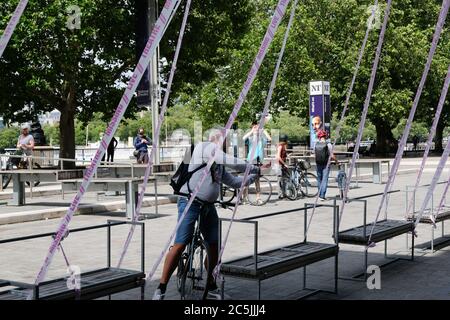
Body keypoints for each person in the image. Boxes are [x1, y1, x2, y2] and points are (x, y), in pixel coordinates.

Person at [152, 127, 268, 300]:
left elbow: (235, 182)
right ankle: (161, 288)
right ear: (216, 138)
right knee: (180, 243)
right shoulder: (204, 147)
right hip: (189, 202)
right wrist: (254, 168)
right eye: (225, 140)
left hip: (208, 206)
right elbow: (233, 162)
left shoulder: (216, 164)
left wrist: (255, 176)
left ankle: (211, 285)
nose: (227, 143)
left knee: (214, 246)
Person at [243, 120, 271, 204]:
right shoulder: (250, 138)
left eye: (258, 127)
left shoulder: (262, 138)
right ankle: (244, 197)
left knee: (257, 180)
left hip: (259, 160)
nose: (257, 129)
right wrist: (252, 131)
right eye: (255, 127)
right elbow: (243, 138)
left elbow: (269, 139)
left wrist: (263, 131)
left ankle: (258, 198)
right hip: (250, 160)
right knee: (247, 180)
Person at [314, 130, 336, 201]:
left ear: (319, 137)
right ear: (325, 136)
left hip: (318, 163)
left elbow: (314, 154)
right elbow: (332, 156)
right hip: (326, 164)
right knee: (324, 179)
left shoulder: (316, 144)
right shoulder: (328, 144)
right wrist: (336, 161)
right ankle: (322, 195)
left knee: (319, 179)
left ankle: (319, 194)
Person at [276, 134, 289, 199]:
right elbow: (278, 157)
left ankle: (284, 193)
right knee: (280, 180)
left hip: (282, 165)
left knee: (284, 179)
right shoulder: (280, 146)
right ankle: (280, 194)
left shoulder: (283, 146)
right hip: (279, 165)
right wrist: (284, 164)